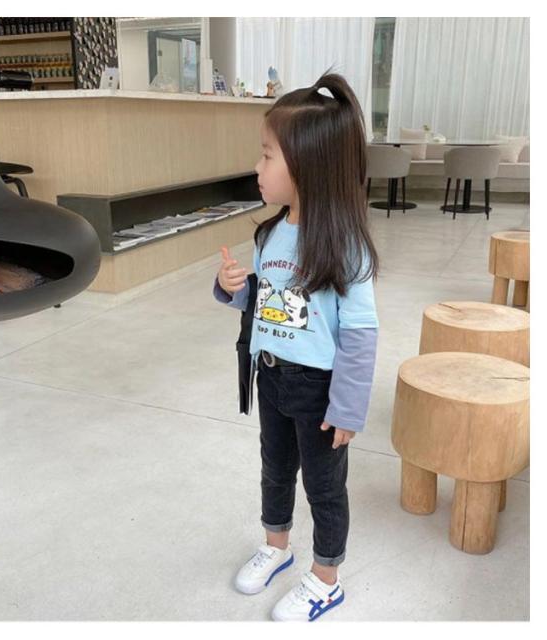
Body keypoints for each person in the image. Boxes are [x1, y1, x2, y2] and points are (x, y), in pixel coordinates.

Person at [212, 72, 379, 622]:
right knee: (275, 468)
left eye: (267, 156)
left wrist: (348, 407)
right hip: (272, 375)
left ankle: (327, 578)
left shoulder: (345, 245)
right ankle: (276, 546)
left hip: (320, 390)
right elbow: (266, 303)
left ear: (307, 165)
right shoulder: (269, 234)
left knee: (325, 487)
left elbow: (361, 333)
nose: (257, 168)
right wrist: (234, 288)